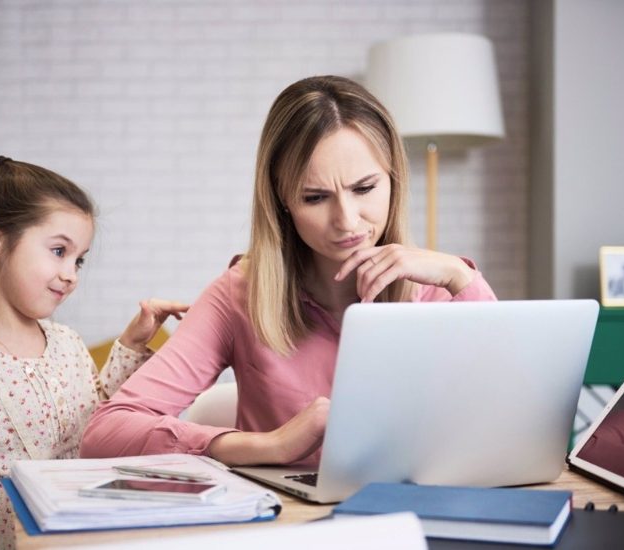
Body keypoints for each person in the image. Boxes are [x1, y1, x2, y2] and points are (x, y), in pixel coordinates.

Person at [80, 75, 497, 468]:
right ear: (282, 200)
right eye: (315, 197)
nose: (347, 220)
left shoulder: (441, 288)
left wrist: (459, 276)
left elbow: (513, 410)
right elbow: (106, 433)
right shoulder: (239, 295)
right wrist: (269, 445)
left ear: (394, 180)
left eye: (365, 188)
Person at [0, 156, 188, 549]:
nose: (71, 274)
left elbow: (89, 423)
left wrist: (131, 344)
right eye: (58, 251)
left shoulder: (67, 343)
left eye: (79, 260)